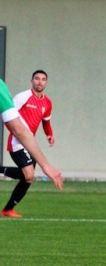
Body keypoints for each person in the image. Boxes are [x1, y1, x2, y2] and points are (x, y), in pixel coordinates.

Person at [1, 70, 63, 217]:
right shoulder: (22, 97)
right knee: (28, 175)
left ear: (46, 83)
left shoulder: (47, 103)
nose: (39, 82)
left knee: (28, 177)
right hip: (18, 141)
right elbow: (9, 118)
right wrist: (17, 132)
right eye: (37, 78)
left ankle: (7, 209)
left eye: (43, 79)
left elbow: (46, 122)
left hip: (30, 142)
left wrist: (49, 134)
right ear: (31, 81)